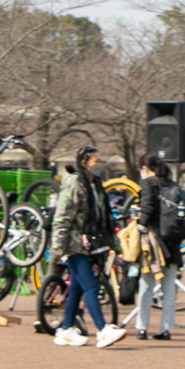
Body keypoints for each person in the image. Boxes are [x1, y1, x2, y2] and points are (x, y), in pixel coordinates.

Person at [48, 145, 126, 349]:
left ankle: (65, 329)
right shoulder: (74, 185)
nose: (98, 165)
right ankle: (103, 329)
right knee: (91, 286)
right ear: (84, 163)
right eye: (95, 162)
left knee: (77, 288)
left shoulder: (97, 185)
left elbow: (105, 218)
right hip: (74, 245)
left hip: (90, 243)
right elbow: (62, 217)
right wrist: (57, 248)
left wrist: (114, 244)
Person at [133, 153, 180, 340]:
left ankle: (142, 327)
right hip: (173, 240)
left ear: (145, 167)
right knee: (168, 287)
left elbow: (147, 207)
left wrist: (140, 225)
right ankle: (166, 328)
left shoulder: (148, 183)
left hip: (154, 242)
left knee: (146, 284)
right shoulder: (173, 184)